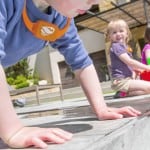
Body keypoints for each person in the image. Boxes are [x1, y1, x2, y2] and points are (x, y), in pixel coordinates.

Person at [0, 1, 141, 149]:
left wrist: (101, 108)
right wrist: (13, 130)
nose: (95, 1)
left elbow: (81, 62)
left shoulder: (60, 18)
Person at [107, 19, 150, 98]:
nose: (118, 34)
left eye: (121, 31)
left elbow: (130, 65)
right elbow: (129, 62)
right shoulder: (116, 46)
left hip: (127, 80)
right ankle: (123, 93)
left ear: (127, 33)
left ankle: (123, 93)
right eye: (114, 32)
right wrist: (147, 67)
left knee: (146, 90)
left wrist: (136, 70)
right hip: (121, 81)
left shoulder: (125, 47)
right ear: (110, 36)